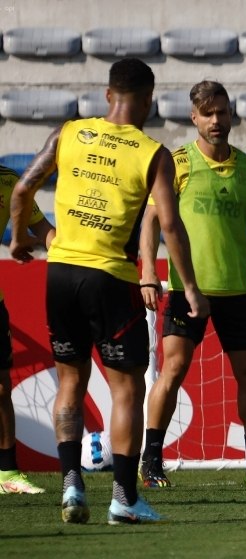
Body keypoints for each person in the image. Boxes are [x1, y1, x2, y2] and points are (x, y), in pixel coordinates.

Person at [9, 58, 209, 524]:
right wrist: (192, 289)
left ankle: (71, 485)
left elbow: (21, 190)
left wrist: (22, 238)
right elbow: (171, 224)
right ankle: (123, 498)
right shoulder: (152, 153)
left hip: (60, 275)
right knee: (125, 389)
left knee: (70, 383)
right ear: (149, 99)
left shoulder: (69, 134)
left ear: (107, 95)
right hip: (111, 279)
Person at [138, 80, 246, 489]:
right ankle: (151, 460)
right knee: (173, 369)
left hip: (239, 290)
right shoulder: (176, 163)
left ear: (232, 114)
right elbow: (150, 221)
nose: (217, 120)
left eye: (223, 111)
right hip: (186, 289)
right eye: (208, 113)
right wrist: (148, 270)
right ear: (193, 117)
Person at [0, 165, 53, 495]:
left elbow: (45, 230)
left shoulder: (8, 181)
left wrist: (73, 246)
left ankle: (7, 473)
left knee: (2, 386)